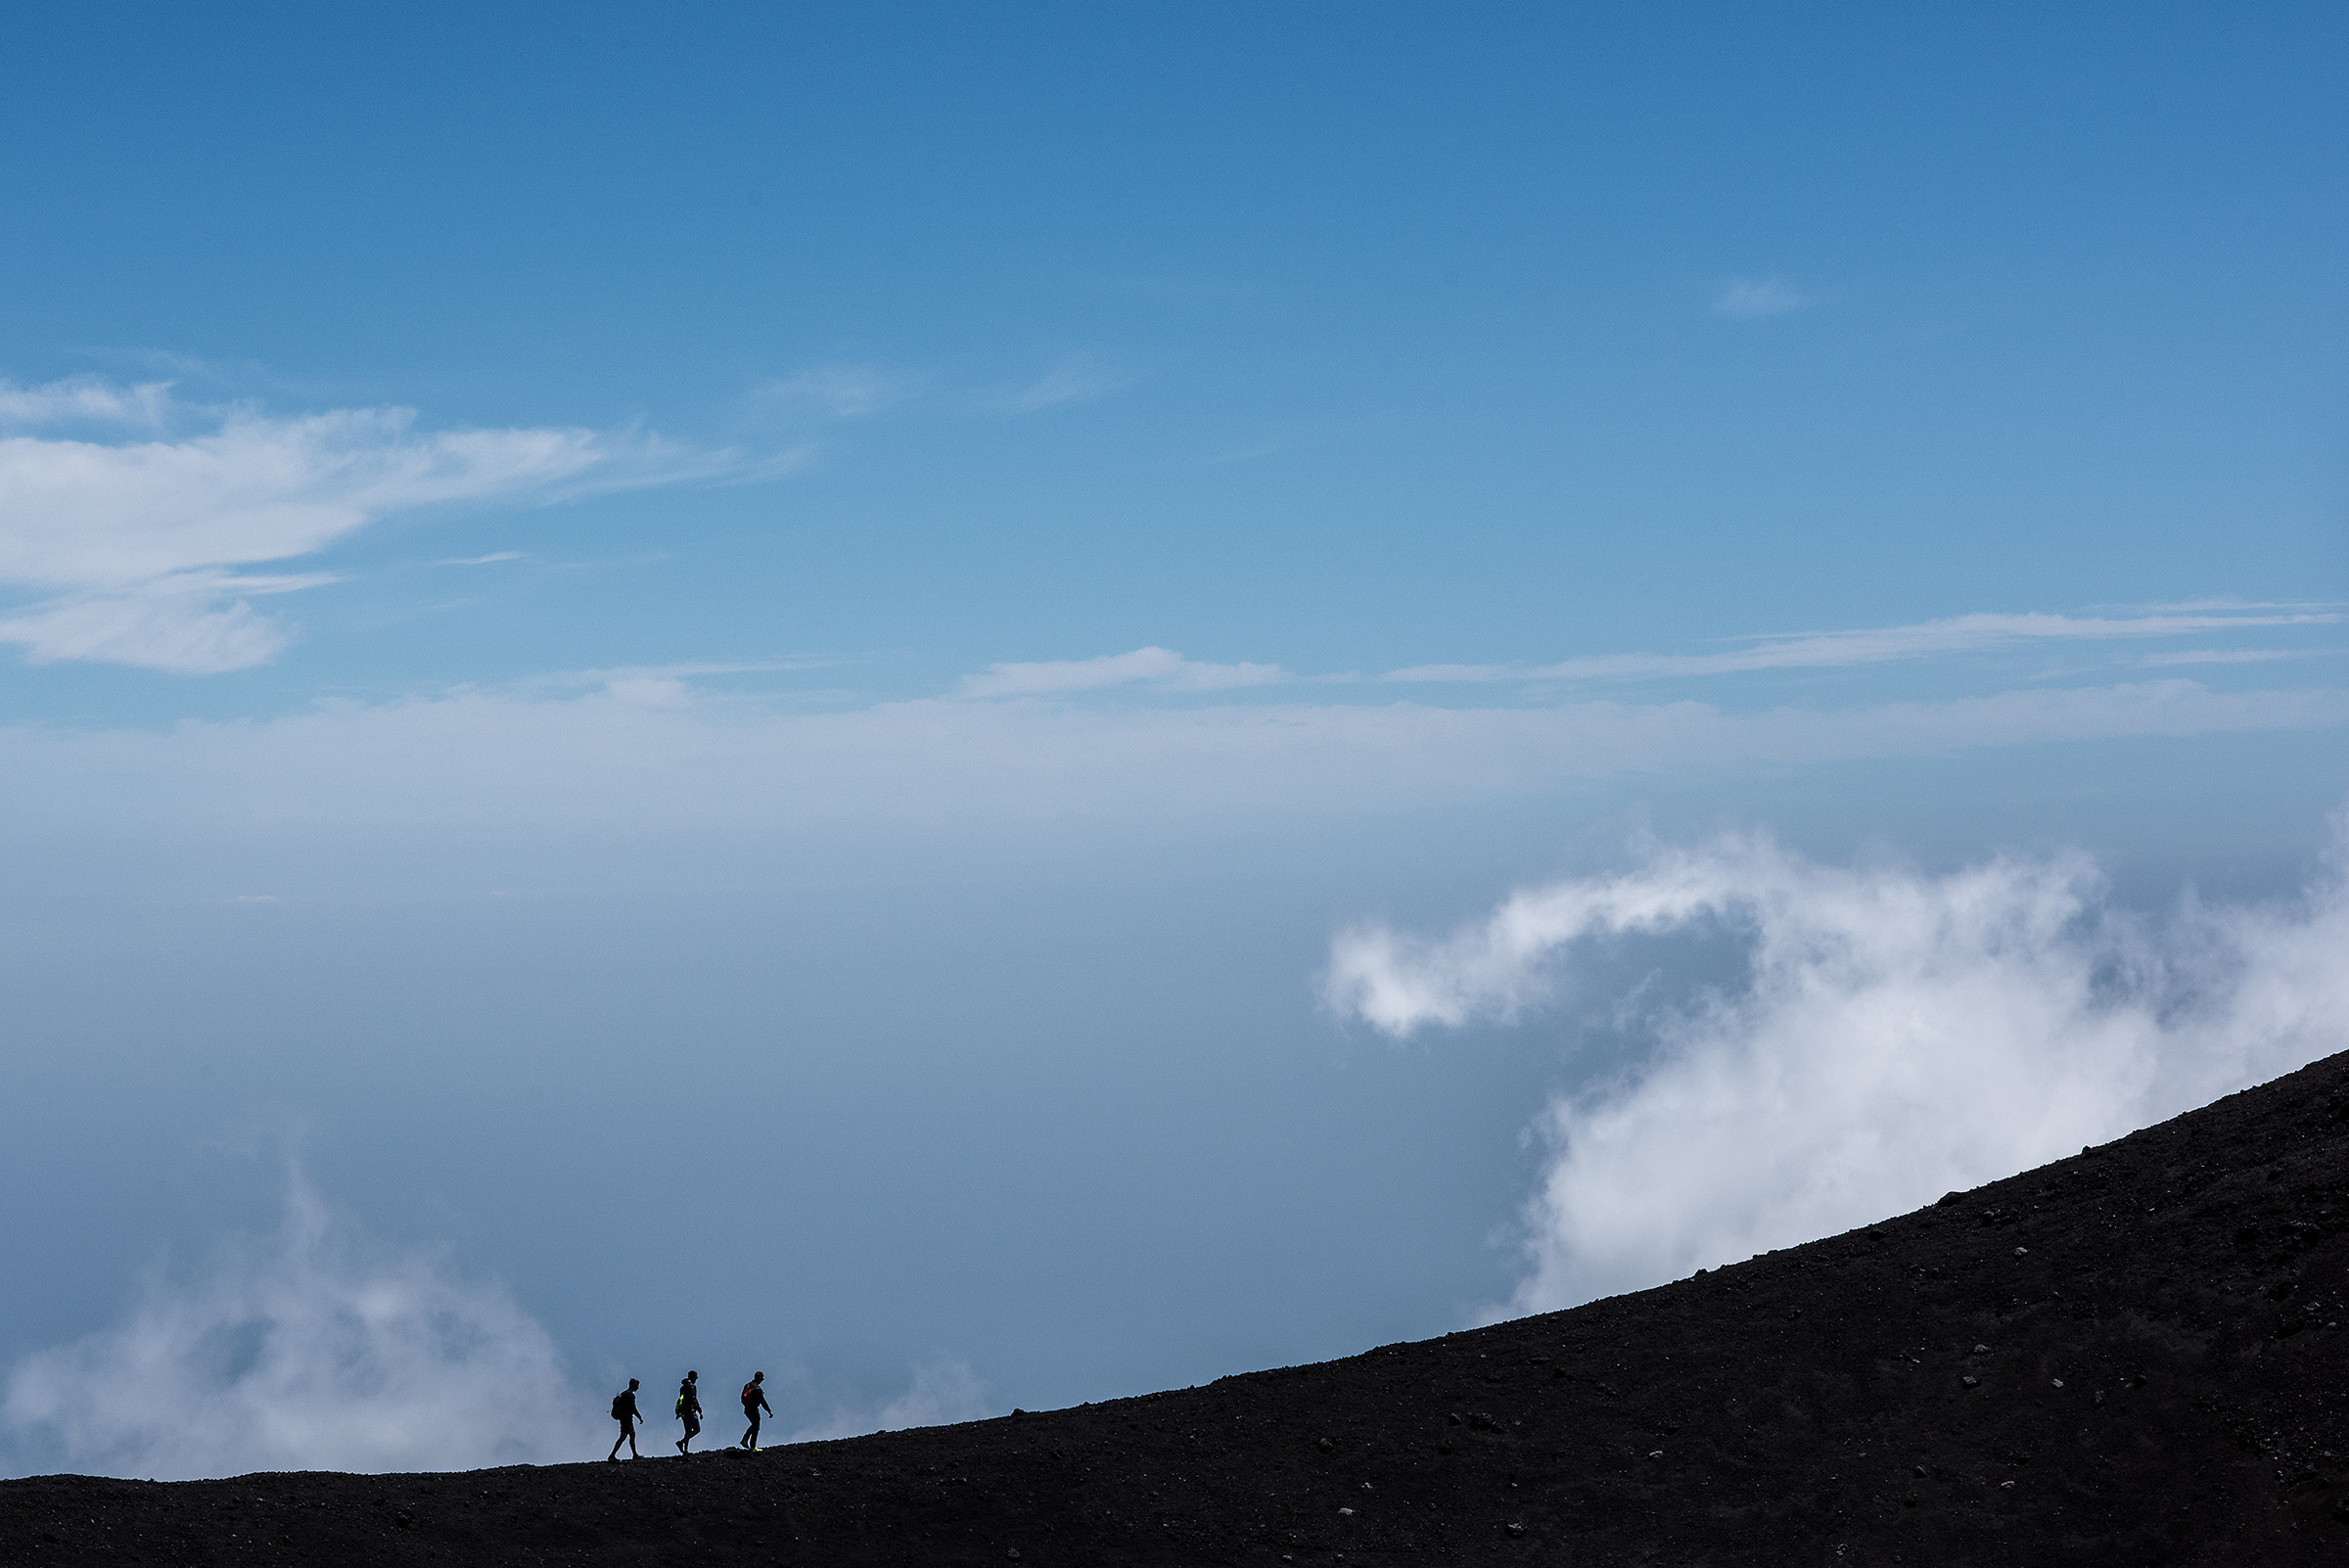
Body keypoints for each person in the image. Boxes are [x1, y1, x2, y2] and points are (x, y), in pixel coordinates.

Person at [608, 1378, 644, 1461]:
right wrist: (639, 1417)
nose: (638, 1388)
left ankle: (635, 1454)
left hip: (626, 1418)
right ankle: (612, 1455)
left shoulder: (624, 1393)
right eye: (637, 1386)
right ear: (633, 1385)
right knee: (623, 1436)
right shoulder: (629, 1395)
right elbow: (633, 1408)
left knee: (632, 1434)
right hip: (626, 1419)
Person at [740, 1370, 773, 1451]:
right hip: (754, 1410)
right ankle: (752, 1446)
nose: (762, 1380)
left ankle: (745, 1440)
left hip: (746, 1409)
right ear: (759, 1378)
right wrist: (769, 1411)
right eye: (762, 1378)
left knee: (754, 1425)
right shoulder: (757, 1389)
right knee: (756, 1426)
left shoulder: (747, 1385)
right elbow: (763, 1401)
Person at [675, 1369, 703, 1454]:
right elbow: (693, 1399)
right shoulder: (692, 1386)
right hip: (690, 1411)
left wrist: (678, 1411)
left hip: (683, 1412)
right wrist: (699, 1410)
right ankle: (681, 1442)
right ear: (693, 1377)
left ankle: (685, 1450)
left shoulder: (682, 1388)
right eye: (696, 1377)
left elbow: (681, 1399)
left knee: (688, 1431)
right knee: (697, 1429)